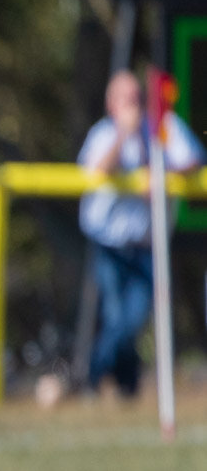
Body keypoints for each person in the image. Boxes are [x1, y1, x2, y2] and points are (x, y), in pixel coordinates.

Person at [78, 69, 205, 397]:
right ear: (111, 104)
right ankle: (107, 382)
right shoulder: (103, 134)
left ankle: (102, 379)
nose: (132, 105)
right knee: (115, 316)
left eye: (137, 98)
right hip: (109, 244)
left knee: (133, 318)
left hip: (148, 245)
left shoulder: (161, 129)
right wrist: (124, 136)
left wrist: (163, 173)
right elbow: (96, 171)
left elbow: (193, 159)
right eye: (125, 99)